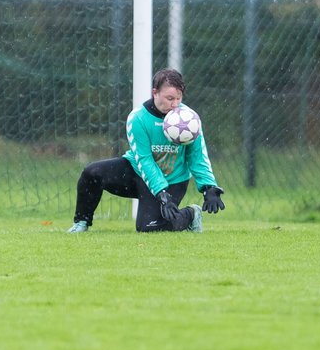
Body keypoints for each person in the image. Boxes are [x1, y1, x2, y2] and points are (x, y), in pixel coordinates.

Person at [67, 68, 225, 233]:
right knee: (92, 172)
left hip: (173, 180)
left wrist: (208, 187)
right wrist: (160, 193)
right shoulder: (138, 118)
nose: (175, 104)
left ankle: (191, 214)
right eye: (170, 98)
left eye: (179, 98)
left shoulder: (189, 120)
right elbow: (144, 160)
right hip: (139, 172)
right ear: (155, 93)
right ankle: (81, 222)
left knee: (149, 228)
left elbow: (197, 156)